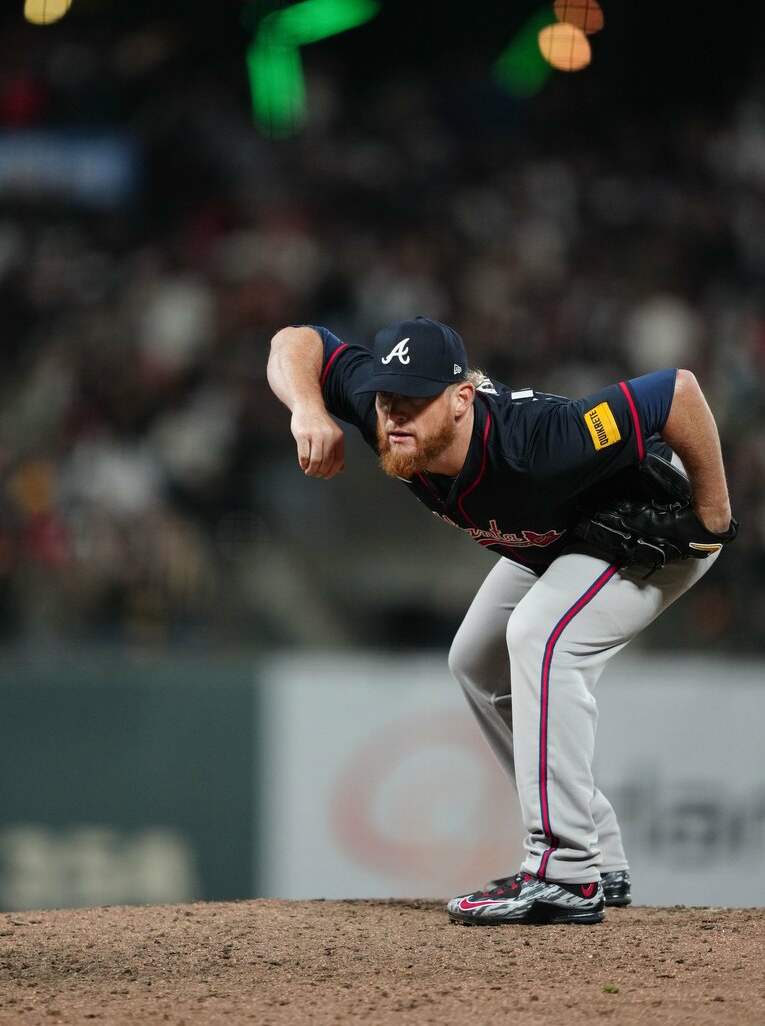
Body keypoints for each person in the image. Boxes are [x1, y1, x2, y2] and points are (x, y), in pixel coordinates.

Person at [266, 316, 736, 925]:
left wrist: (714, 517)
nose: (394, 416)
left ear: (462, 398)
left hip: (652, 531)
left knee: (540, 638)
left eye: (413, 400)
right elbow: (295, 341)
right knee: (476, 661)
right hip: (560, 541)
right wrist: (307, 408)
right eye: (386, 399)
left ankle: (564, 871)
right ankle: (598, 851)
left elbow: (678, 392)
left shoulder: (540, 440)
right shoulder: (382, 414)